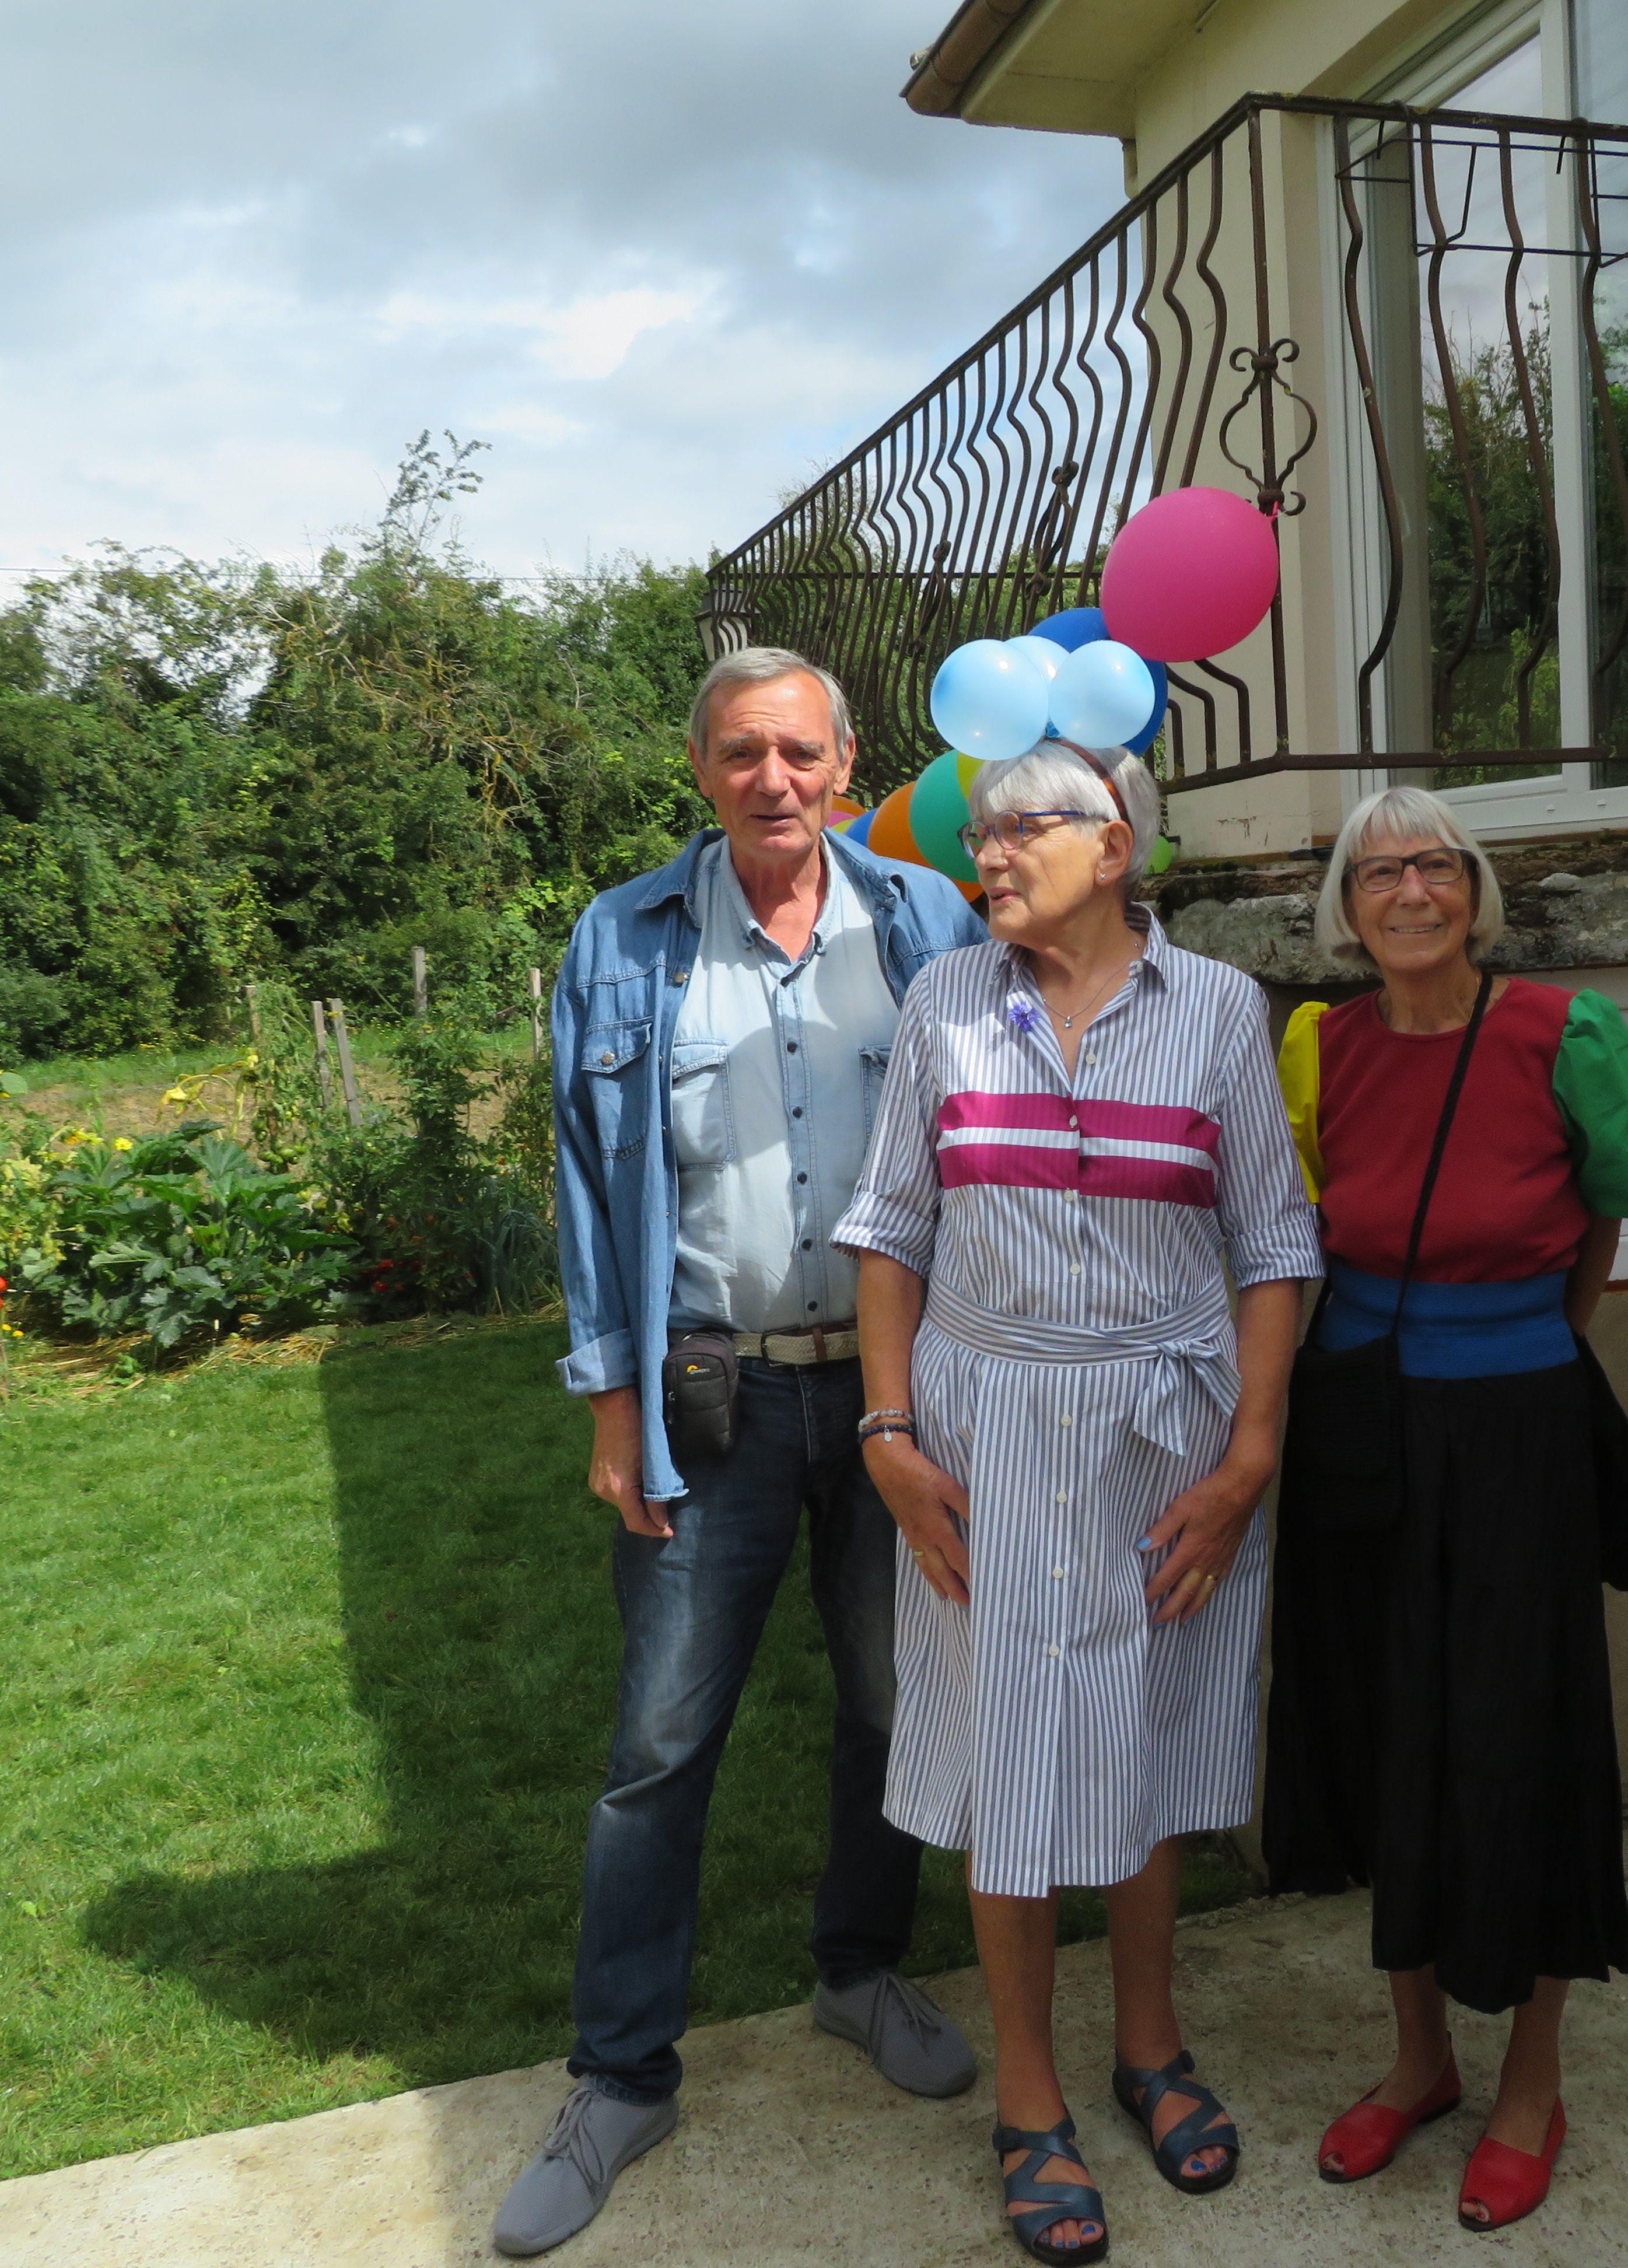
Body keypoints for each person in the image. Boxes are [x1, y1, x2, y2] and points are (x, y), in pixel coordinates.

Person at [498, 648, 992, 2258]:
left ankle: (859, 1971)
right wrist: (610, 1409)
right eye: (739, 752)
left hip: (896, 1395)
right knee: (660, 1742)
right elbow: (589, 1185)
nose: (771, 778)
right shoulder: (625, 939)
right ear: (702, 769)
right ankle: (622, 2075)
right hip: (711, 1398)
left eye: (798, 750)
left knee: (891, 1702)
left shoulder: (929, 925)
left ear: (848, 766)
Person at [836, 739, 1321, 2266]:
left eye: (1018, 828)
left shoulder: (1220, 1010)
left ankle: (1150, 2046)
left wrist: (1250, 1456)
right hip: (980, 1438)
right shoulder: (946, 1003)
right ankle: (1031, 2096)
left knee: (1149, 1735)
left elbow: (1274, 1244)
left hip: (1167, 1441)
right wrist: (886, 1432)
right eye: (976, 832)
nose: (985, 851)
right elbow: (890, 1227)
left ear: (1114, 847)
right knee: (1011, 1756)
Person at [1263, 785, 1628, 2235]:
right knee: (1388, 1730)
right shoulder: (1320, 1045)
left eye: (1435, 866)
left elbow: (1611, 1211)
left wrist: (1528, 1350)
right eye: (1377, 873)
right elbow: (1305, 1227)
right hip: (1364, 1431)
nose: (1410, 892)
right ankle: (1421, 2060)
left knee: (1524, 1737)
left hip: (1518, 1430)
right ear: (1347, 909)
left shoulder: (1568, 1033)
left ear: (1475, 891)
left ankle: (1531, 2085)